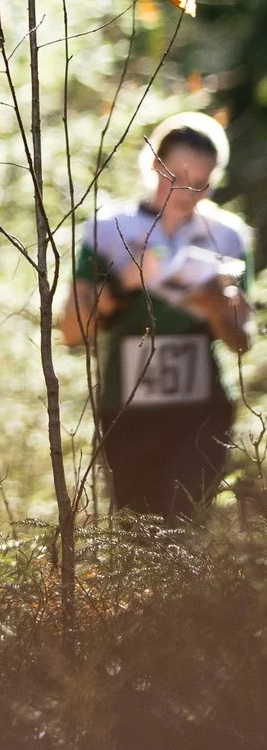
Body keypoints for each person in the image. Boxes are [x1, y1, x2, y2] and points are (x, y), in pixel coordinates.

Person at [61, 112, 255, 522]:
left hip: (202, 408)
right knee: (136, 526)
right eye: (176, 176)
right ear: (153, 163)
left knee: (188, 526)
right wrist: (120, 285)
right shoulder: (108, 229)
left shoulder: (228, 235)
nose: (187, 191)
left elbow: (242, 341)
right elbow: (72, 332)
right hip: (127, 404)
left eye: (201, 182)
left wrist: (218, 307)